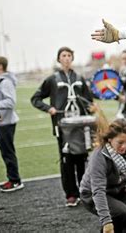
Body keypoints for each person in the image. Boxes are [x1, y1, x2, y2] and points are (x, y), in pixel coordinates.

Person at [31, 47, 94, 207]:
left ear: (72, 58)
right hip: (62, 127)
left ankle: (84, 191)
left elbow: (88, 100)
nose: (66, 58)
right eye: (63, 56)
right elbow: (35, 98)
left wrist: (92, 108)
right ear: (59, 59)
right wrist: (49, 109)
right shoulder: (52, 79)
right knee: (67, 161)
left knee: (82, 160)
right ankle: (71, 194)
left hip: (80, 126)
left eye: (69, 55)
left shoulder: (79, 77)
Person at [0, 56, 23, 192]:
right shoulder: (0, 80)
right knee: (6, 152)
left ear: (0, 66)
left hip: (6, 123)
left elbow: (10, 102)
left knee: (8, 153)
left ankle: (15, 180)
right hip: (1, 122)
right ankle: (12, 178)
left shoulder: (6, 82)